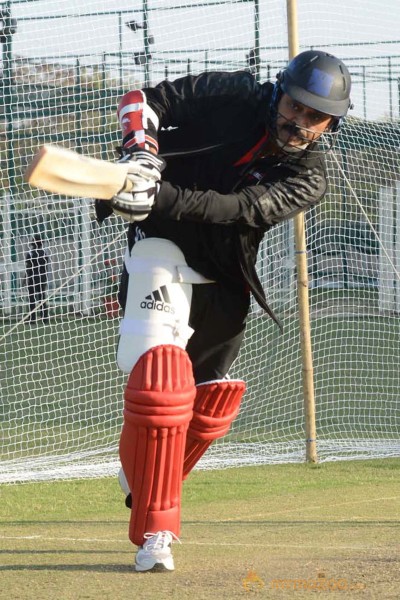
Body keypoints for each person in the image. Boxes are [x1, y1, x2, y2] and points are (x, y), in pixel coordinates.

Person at [96, 49, 352, 572]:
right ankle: (157, 532)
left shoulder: (310, 178)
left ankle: (141, 473)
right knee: (160, 381)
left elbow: (238, 211)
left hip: (225, 271)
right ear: (278, 91)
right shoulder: (230, 91)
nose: (298, 122)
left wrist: (159, 196)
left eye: (314, 116)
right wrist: (142, 155)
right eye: (294, 106)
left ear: (329, 124)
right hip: (160, 244)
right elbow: (142, 100)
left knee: (209, 403)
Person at [25, 235, 49, 323]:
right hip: (42, 277)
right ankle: (44, 318)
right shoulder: (44, 253)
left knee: (32, 298)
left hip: (32, 277)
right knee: (42, 297)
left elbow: (28, 267)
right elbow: (46, 267)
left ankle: (32, 318)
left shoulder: (31, 253)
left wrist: (25, 278)